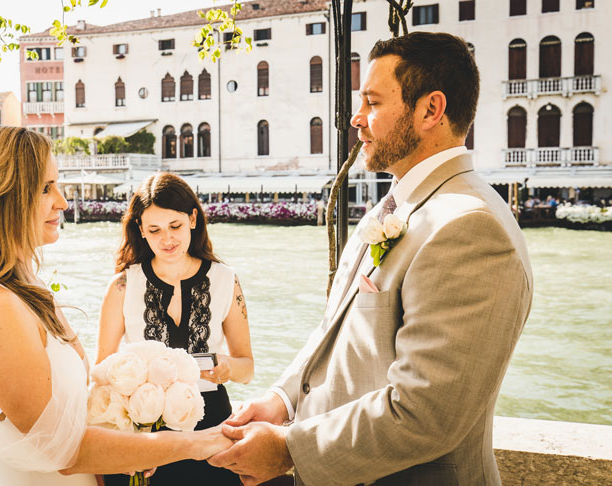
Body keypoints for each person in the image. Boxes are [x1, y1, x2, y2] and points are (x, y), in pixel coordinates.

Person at [209, 32, 533, 486]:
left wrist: (288, 450)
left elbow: (425, 414)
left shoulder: (469, 227)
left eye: (374, 103)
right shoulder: (400, 206)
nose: (356, 119)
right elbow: (337, 331)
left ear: (430, 110)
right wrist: (282, 401)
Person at [0, 127, 231, 486]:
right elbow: (62, 450)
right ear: (4, 196)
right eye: (46, 187)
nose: (61, 201)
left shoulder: (26, 289)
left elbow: (70, 421)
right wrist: (194, 444)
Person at [97, 172, 253, 486]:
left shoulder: (226, 280)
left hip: (211, 426)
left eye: (175, 226)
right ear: (140, 230)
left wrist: (226, 368)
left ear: (193, 219)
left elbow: (247, 367)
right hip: (143, 426)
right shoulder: (123, 285)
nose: (167, 240)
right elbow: (101, 372)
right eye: (154, 230)